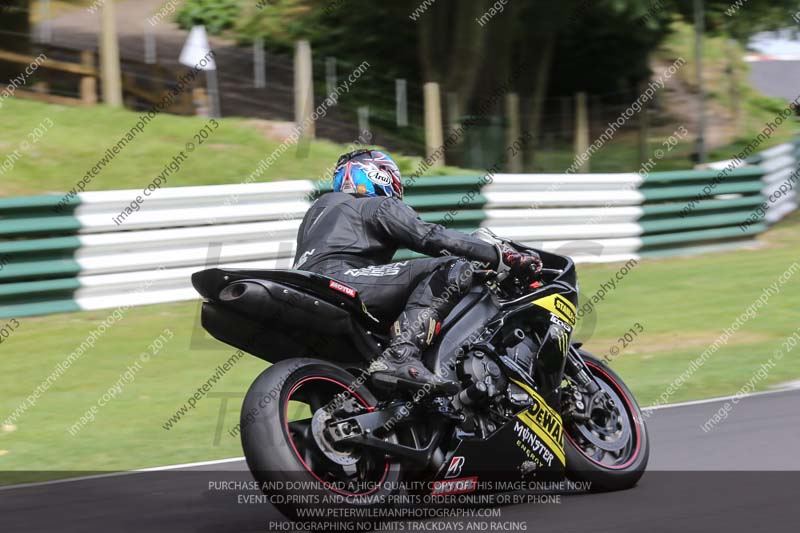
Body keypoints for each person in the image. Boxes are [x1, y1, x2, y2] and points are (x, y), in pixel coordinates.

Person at [293, 149, 542, 395]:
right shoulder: (376, 204)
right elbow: (431, 236)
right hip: (343, 279)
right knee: (452, 267)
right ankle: (402, 354)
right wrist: (498, 255)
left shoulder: (317, 213)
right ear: (379, 176)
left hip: (306, 285)